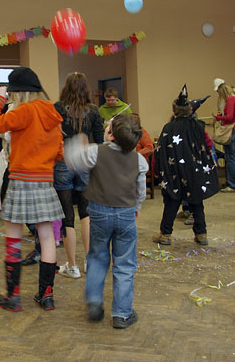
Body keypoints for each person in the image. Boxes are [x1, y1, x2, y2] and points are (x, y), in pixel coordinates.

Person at [0, 66, 64, 312]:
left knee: (13, 236)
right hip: (44, 180)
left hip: (21, 178)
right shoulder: (52, 113)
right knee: (47, 237)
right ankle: (46, 295)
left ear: (18, 92)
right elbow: (59, 152)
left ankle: (13, 296)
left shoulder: (24, 111)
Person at [63, 113, 148, 329]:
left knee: (97, 257)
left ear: (111, 135)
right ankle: (122, 314)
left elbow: (71, 160)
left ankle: (94, 301)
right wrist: (137, 207)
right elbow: (141, 190)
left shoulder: (95, 152)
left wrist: (78, 143)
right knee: (125, 263)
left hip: (99, 213)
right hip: (126, 213)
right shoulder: (139, 160)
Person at [153, 85, 219, 246]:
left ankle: (165, 234)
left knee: (172, 202)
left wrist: (157, 170)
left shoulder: (169, 127)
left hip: (174, 170)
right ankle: (201, 234)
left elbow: (159, 151)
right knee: (196, 202)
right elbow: (207, 146)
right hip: (194, 170)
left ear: (174, 110)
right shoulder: (197, 126)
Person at [54, 72, 104, 279]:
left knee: (67, 216)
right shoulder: (93, 111)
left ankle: (72, 266)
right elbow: (99, 141)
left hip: (62, 162)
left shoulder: (57, 108)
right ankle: (90, 262)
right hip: (85, 162)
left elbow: (51, 136)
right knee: (86, 213)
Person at [215, 82, 235, 192]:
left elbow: (230, 117)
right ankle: (234, 182)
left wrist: (218, 117)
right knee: (232, 157)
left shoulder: (230, 100)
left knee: (230, 158)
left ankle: (232, 184)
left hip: (231, 130)